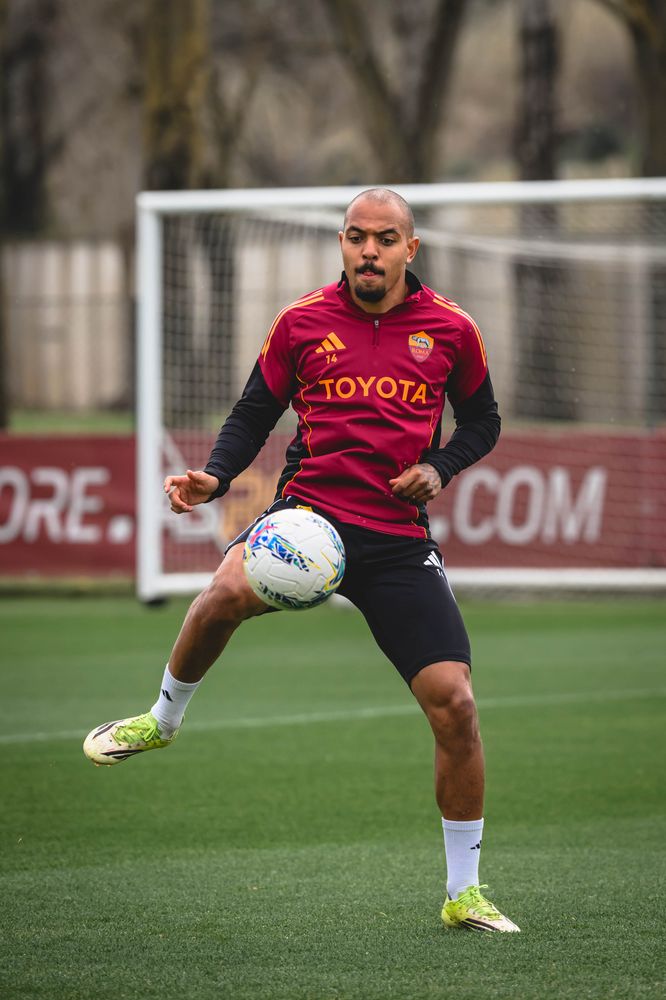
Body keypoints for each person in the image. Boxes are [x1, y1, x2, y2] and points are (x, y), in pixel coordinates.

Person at [84, 188, 519, 933]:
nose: (369, 251)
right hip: (308, 518)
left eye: (385, 239)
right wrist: (215, 477)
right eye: (356, 236)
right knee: (222, 593)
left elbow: (483, 421)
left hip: (396, 539)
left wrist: (440, 467)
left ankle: (464, 892)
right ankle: (161, 719)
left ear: (411, 249)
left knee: (456, 703)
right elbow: (254, 412)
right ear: (343, 242)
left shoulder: (452, 328)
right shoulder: (300, 321)